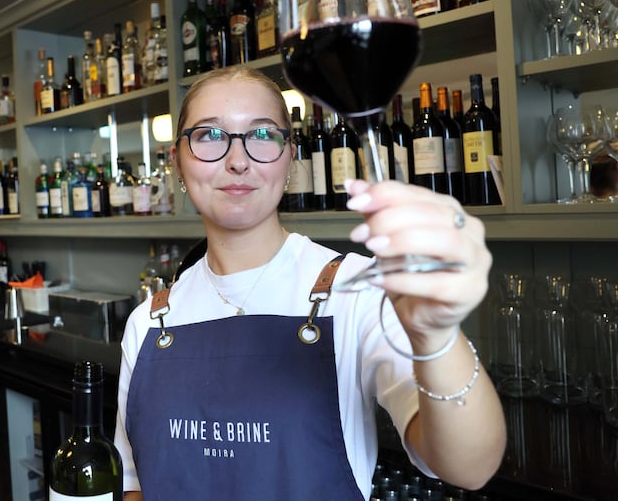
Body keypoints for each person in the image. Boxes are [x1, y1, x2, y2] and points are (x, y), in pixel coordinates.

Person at [114, 66, 505, 500]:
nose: (238, 159)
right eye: (209, 135)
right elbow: (135, 488)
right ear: (177, 162)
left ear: (291, 157)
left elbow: (469, 466)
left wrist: (437, 335)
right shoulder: (147, 323)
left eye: (262, 135)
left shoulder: (358, 289)